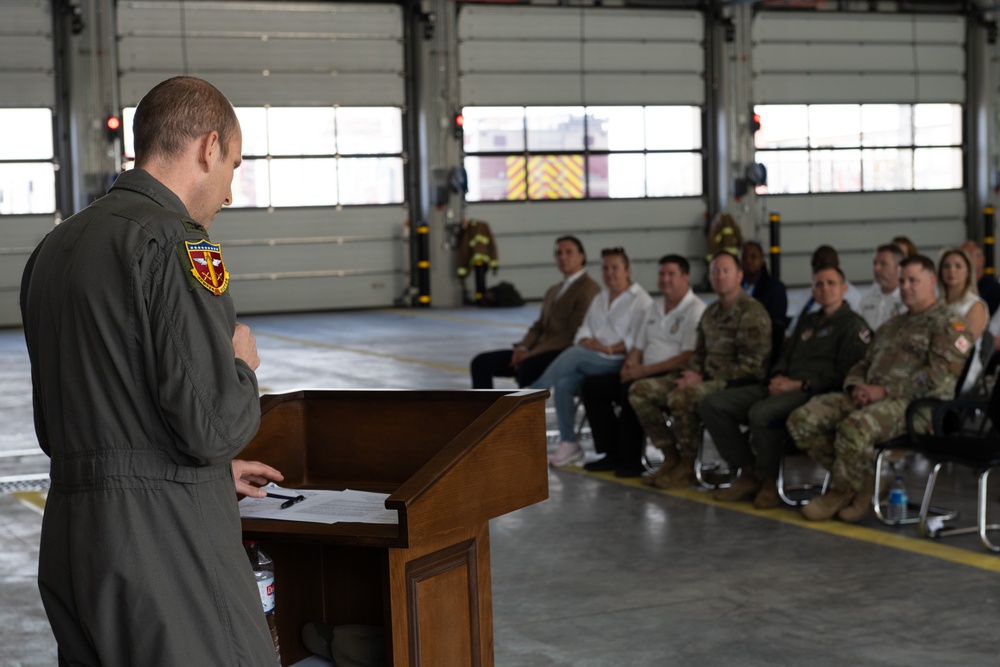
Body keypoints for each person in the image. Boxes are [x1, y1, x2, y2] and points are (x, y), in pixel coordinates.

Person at [20, 76, 284, 665]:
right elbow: (213, 427)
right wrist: (240, 366)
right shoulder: (178, 243)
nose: (231, 192)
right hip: (161, 543)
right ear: (208, 147)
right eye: (235, 167)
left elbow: (109, 405)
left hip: (73, 539)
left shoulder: (55, 248)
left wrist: (212, 476)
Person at [786, 255, 972, 523]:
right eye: (903, 280)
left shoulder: (950, 325)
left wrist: (883, 391)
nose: (906, 286)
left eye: (913, 280)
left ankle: (840, 492)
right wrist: (857, 386)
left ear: (931, 281)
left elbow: (938, 377)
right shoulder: (892, 325)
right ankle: (863, 484)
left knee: (854, 427)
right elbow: (863, 362)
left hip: (916, 406)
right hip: (870, 397)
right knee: (802, 420)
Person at [698, 266, 870, 508]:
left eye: (831, 283)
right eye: (819, 284)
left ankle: (767, 479)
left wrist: (799, 384)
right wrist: (778, 375)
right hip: (784, 383)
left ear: (844, 288)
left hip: (814, 391)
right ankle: (747, 471)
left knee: (762, 413)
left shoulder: (853, 326)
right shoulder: (809, 320)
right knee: (713, 405)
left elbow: (846, 374)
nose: (825, 289)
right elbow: (787, 354)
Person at [628, 251, 772, 489]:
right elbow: (699, 353)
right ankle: (670, 456)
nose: (720, 276)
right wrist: (690, 374)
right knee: (640, 391)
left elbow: (754, 366)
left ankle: (687, 463)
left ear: (739, 276)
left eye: (726, 271)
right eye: (715, 271)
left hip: (735, 383)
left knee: (683, 396)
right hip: (704, 378)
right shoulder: (711, 313)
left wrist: (701, 378)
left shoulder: (751, 313)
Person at [580, 254, 706, 478]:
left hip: (671, 373)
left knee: (632, 391)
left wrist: (642, 372)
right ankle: (611, 451)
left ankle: (630, 460)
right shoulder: (655, 307)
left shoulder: (695, 309)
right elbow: (637, 346)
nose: (665, 279)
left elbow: (687, 356)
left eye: (671, 274)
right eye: (661, 274)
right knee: (593, 386)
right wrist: (629, 366)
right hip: (643, 370)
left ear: (685, 278)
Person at [531, 247, 652, 467]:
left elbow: (637, 340)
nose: (610, 273)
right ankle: (569, 443)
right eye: (605, 268)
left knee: (576, 355)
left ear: (627, 270)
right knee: (565, 382)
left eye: (615, 267)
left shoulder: (640, 300)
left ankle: (534, 392)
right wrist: (587, 341)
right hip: (591, 357)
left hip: (617, 361)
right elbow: (584, 328)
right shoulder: (601, 297)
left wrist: (607, 349)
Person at [470, 236, 600, 388]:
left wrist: (532, 354)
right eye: (558, 253)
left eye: (568, 252)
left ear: (582, 256)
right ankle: (487, 412)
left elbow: (571, 335)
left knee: (527, 366)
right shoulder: (554, 290)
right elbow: (539, 326)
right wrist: (522, 348)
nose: (562, 257)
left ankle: (525, 411)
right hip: (537, 349)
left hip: (562, 352)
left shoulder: (588, 289)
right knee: (480, 363)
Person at [938, 246, 988, 394]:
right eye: (946, 266)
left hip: (961, 369)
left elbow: (965, 345)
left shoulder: (975, 305)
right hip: (937, 364)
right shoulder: (937, 305)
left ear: (968, 271)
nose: (951, 271)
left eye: (958, 266)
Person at [786, 245, 862, 335]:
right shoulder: (809, 294)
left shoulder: (852, 296)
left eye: (830, 283)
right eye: (817, 266)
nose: (825, 288)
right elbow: (795, 325)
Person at [741, 240, 788, 363]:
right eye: (744, 257)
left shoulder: (775, 288)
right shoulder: (736, 288)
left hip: (762, 350)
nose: (748, 261)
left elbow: (777, 327)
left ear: (762, 259)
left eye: (753, 257)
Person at [856, 244, 906, 329]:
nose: (876, 269)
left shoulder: (907, 300)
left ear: (898, 268)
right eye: (875, 263)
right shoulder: (867, 300)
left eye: (883, 264)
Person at [960, 240, 1000, 316]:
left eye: (968, 256)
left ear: (981, 259)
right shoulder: (955, 288)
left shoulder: (994, 290)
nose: (962, 261)